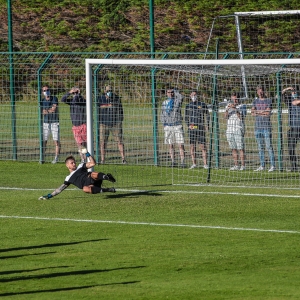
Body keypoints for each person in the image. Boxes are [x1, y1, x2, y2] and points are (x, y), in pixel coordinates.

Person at [38, 149, 116, 200]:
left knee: (93, 174)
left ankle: (107, 177)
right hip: (91, 186)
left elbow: (93, 163)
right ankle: (108, 190)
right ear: (67, 165)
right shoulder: (68, 178)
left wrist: (87, 154)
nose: (74, 164)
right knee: (85, 189)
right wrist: (49, 196)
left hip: (93, 178)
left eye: (74, 162)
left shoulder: (80, 166)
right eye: (72, 163)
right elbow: (60, 189)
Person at [97, 85, 126, 164]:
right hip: (104, 123)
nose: (108, 92)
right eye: (107, 91)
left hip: (115, 123)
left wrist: (119, 120)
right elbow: (98, 108)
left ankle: (123, 158)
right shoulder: (100, 98)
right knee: (103, 142)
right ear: (104, 91)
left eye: (110, 90)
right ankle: (103, 159)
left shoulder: (116, 98)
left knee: (119, 141)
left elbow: (120, 110)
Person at [251, 86, 276, 172]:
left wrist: (258, 112)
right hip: (257, 128)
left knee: (269, 147)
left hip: (266, 127)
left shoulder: (269, 100)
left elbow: (267, 113)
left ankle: (273, 165)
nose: (260, 93)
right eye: (259, 91)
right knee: (260, 147)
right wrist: (262, 112)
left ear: (264, 92)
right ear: (257, 92)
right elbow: (252, 113)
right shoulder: (255, 101)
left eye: (262, 91)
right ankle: (262, 165)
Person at [185, 90, 210, 169]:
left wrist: (207, 125)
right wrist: (188, 125)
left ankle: (205, 164)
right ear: (190, 95)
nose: (194, 96)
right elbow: (186, 117)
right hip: (192, 128)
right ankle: (194, 164)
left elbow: (207, 115)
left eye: (195, 95)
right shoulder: (188, 106)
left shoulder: (202, 104)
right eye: (192, 95)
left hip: (200, 127)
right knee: (192, 146)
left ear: (197, 96)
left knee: (203, 146)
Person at [61, 86, 87, 162]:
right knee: (79, 144)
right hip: (75, 126)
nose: (74, 94)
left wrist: (78, 94)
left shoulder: (82, 100)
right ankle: (83, 159)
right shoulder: (72, 101)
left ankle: (87, 156)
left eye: (75, 93)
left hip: (83, 125)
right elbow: (63, 99)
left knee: (85, 143)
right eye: (74, 93)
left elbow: (76, 100)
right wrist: (69, 92)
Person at [160, 88, 185, 167]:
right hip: (168, 126)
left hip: (177, 125)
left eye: (172, 92)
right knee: (170, 145)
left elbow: (181, 97)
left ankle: (182, 162)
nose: (170, 94)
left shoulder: (177, 101)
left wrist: (177, 92)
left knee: (180, 144)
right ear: (166, 93)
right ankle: (173, 161)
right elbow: (162, 113)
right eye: (169, 92)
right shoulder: (164, 102)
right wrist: (164, 124)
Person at [225, 92, 247, 171]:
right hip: (229, 129)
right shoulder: (228, 106)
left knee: (240, 148)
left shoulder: (243, 106)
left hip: (238, 128)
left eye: (236, 99)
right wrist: (227, 109)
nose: (234, 100)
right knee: (233, 148)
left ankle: (243, 165)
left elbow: (241, 117)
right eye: (233, 99)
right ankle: (236, 165)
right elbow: (225, 117)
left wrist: (235, 108)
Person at [282, 86, 300, 171]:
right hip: (293, 127)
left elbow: (296, 102)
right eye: (292, 90)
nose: (293, 91)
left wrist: (297, 100)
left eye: (295, 90)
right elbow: (281, 95)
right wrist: (286, 89)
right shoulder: (289, 99)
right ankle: (294, 166)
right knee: (291, 147)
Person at [41, 85, 60, 164]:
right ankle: (42, 156)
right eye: (44, 90)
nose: (46, 91)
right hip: (46, 122)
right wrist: (48, 110)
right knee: (44, 140)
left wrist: (47, 111)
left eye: (47, 90)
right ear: (42, 92)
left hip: (54, 121)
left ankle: (56, 158)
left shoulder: (54, 98)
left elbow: (54, 109)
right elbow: (42, 112)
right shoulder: (42, 100)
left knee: (56, 141)